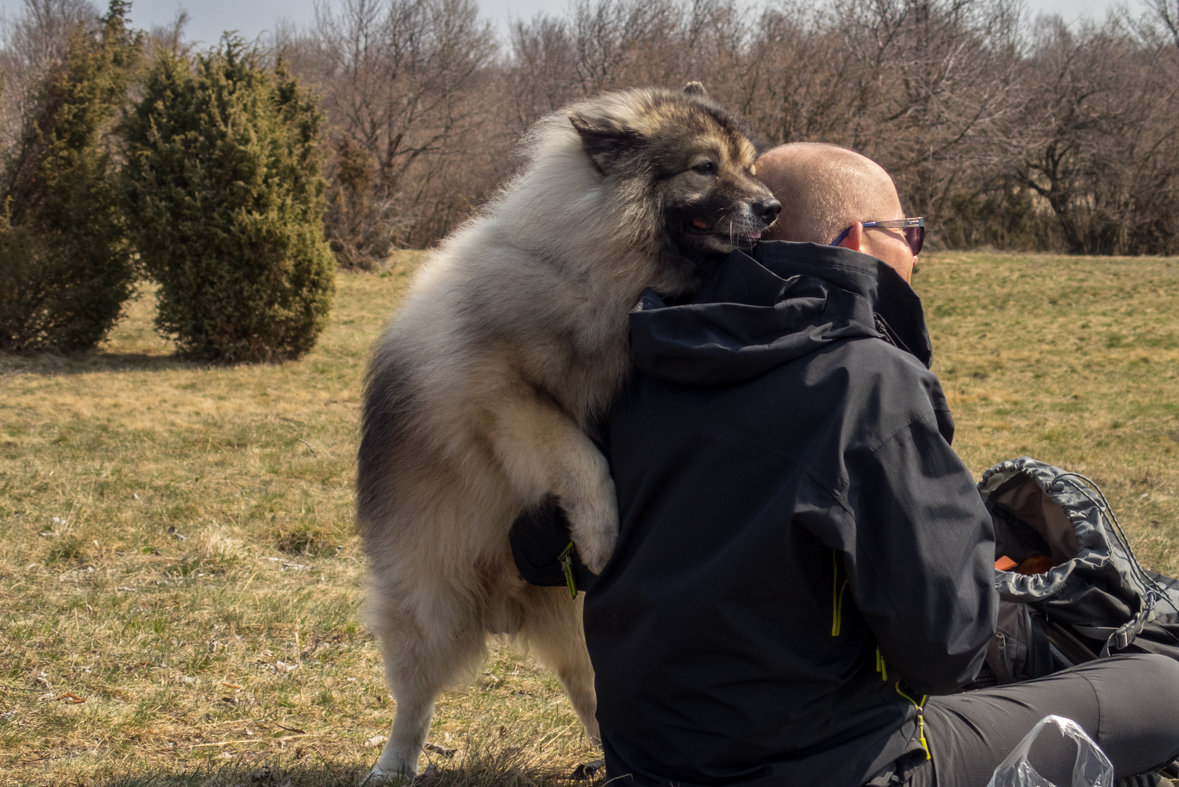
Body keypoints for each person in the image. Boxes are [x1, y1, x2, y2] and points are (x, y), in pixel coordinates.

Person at [580, 142, 1179, 787]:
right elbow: (949, 649)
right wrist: (965, 545)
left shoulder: (620, 362)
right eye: (910, 234)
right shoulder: (868, 381)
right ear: (859, 240)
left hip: (644, 763)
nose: (917, 253)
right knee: (1163, 682)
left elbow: (540, 550)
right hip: (836, 767)